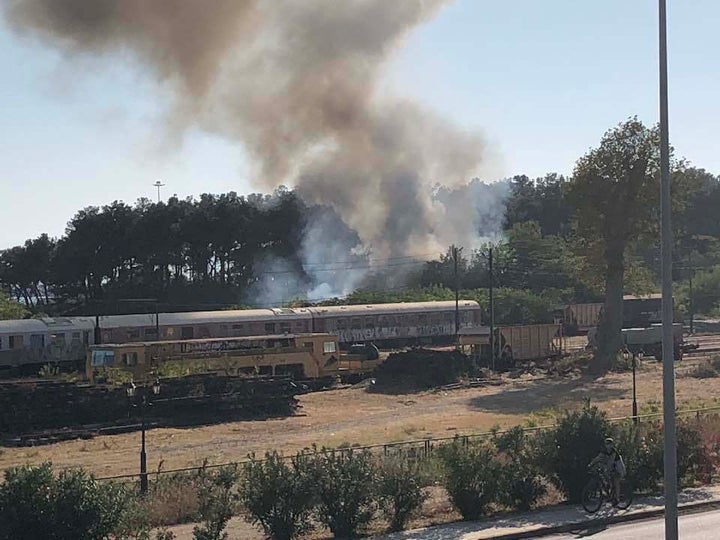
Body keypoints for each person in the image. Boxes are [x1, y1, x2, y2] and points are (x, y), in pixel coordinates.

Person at [589, 437, 626, 504]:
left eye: (609, 444)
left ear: (612, 445)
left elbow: (611, 462)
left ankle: (617, 499)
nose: (607, 445)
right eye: (606, 444)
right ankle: (608, 492)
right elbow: (598, 458)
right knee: (606, 477)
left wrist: (607, 469)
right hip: (612, 466)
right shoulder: (604, 451)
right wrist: (591, 464)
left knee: (616, 480)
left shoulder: (613, 452)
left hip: (618, 466)